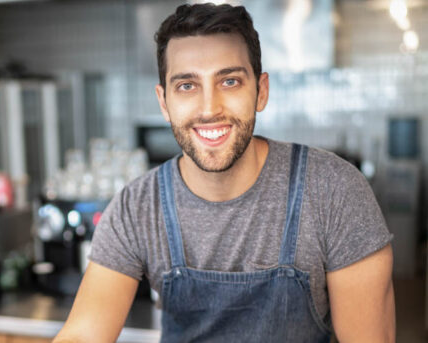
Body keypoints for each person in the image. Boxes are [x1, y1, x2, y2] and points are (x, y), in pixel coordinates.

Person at [53, 3, 395, 343]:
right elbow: (83, 334)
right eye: (187, 85)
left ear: (261, 91)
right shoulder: (137, 208)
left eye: (229, 81)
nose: (209, 108)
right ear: (164, 102)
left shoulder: (333, 192)